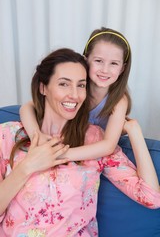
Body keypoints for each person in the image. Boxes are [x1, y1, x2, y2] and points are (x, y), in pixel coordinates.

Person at [0, 48, 160, 237]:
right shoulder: (8, 135)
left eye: (81, 85)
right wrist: (27, 167)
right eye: (64, 84)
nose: (74, 95)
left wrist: (134, 131)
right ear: (43, 87)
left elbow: (151, 197)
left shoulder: (95, 140)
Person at [20, 27, 160, 193]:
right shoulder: (76, 89)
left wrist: (59, 155)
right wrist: (38, 136)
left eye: (114, 63)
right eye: (98, 61)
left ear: (122, 68)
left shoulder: (118, 100)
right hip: (78, 138)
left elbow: (108, 146)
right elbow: (27, 107)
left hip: (101, 145)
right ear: (86, 60)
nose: (105, 70)